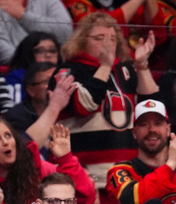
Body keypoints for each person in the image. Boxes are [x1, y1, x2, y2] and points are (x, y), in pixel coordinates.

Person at [59, 12, 158, 190]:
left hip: (129, 178)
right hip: (88, 179)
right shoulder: (69, 70)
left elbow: (151, 106)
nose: (108, 43)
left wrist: (142, 66)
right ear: (82, 40)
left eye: (112, 38)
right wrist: (105, 66)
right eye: (99, 38)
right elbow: (84, 106)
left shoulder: (125, 69)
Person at [0, 117, 95, 204]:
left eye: (8, 135)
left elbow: (83, 201)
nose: (6, 142)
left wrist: (66, 159)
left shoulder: (39, 170)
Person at [0, 0, 72, 65]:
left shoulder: (47, 1)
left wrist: (23, 15)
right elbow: (2, 53)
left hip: (55, 69)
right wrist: (38, 59)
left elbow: (66, 33)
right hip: (16, 76)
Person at [0, 32, 62, 115]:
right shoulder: (15, 78)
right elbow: (13, 113)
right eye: (39, 51)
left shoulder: (65, 74)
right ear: (28, 54)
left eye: (52, 51)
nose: (47, 55)